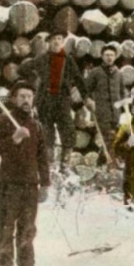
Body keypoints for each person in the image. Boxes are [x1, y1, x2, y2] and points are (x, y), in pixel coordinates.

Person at [0, 81, 52, 266]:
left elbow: (42, 157)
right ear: (14, 99)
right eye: (22, 96)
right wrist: (14, 139)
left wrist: (45, 183)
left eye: (29, 97)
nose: (26, 100)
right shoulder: (3, 121)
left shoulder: (36, 125)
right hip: (9, 184)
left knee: (28, 228)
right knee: (7, 227)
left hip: (30, 184)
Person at [17, 29, 87, 171]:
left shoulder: (68, 60)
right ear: (48, 42)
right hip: (45, 101)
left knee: (68, 130)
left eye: (59, 39)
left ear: (63, 42)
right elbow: (22, 70)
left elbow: (79, 79)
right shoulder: (42, 58)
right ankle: (49, 165)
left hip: (62, 101)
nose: (56, 41)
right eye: (54, 39)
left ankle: (64, 166)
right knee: (46, 133)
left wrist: (86, 97)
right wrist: (34, 80)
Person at [84, 44, 125, 164]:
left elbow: (122, 92)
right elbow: (85, 91)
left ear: (115, 57)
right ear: (102, 56)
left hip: (116, 113)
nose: (109, 58)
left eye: (112, 55)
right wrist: (88, 101)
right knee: (109, 136)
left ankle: (101, 162)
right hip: (102, 112)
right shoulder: (96, 73)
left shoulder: (119, 74)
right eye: (107, 55)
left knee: (110, 138)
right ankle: (112, 164)